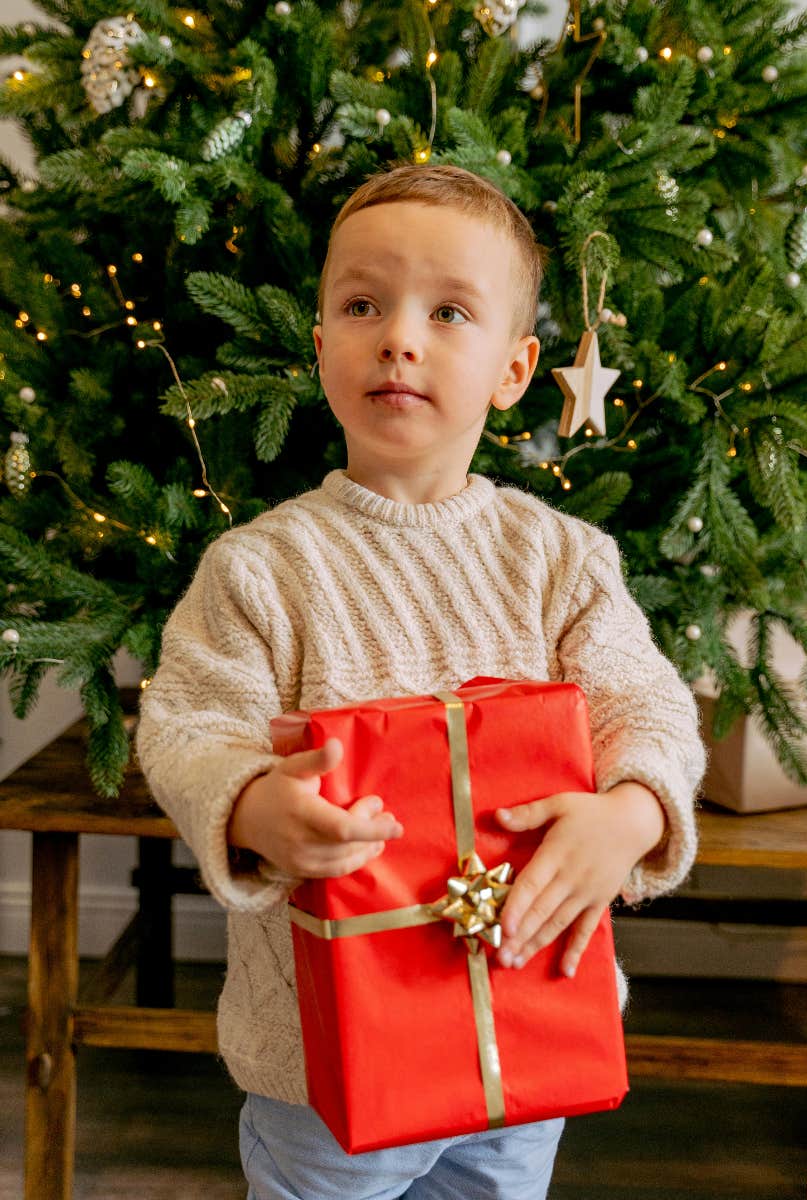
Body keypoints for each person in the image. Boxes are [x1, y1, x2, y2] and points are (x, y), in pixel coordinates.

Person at [136, 163, 705, 1200]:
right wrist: (254, 805)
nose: (399, 335)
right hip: (327, 1067)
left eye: (448, 311)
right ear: (321, 349)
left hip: (525, 1030)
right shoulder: (260, 570)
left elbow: (649, 706)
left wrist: (628, 815)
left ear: (515, 369)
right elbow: (186, 727)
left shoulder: (560, 560)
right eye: (362, 304)